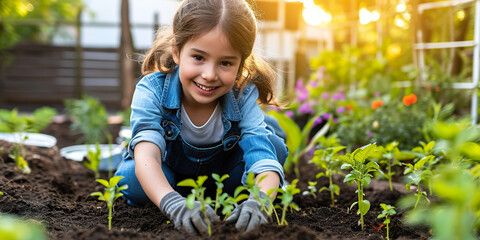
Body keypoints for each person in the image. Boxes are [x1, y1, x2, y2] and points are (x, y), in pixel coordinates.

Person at [114, 0, 288, 235]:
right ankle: (182, 199)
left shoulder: (242, 95)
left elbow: (261, 155)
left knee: (273, 146)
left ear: (240, 65)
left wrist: (261, 202)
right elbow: (147, 152)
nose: (209, 75)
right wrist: (173, 204)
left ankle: (223, 202)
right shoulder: (152, 90)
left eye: (226, 62)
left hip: (225, 178)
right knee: (132, 180)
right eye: (198, 57)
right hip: (171, 175)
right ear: (177, 52)